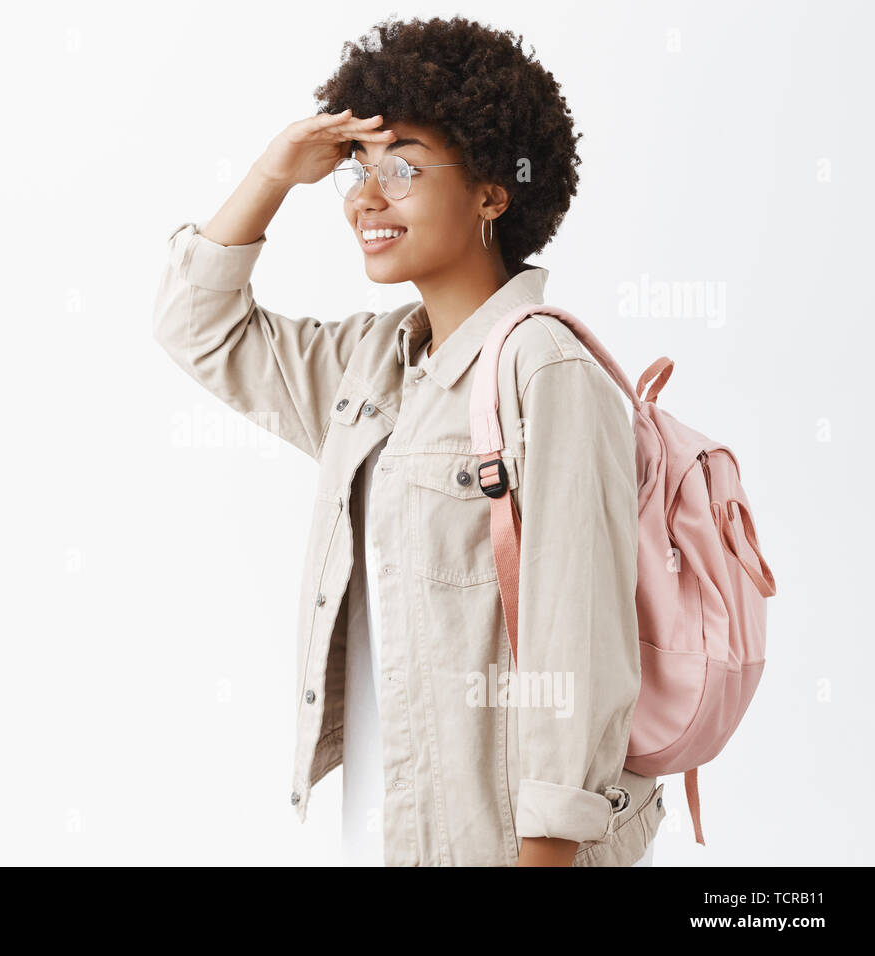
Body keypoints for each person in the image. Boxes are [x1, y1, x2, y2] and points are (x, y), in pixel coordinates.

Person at [152, 14, 666, 866]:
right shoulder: (370, 365)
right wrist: (275, 173)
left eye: (404, 168)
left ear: (493, 193)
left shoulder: (543, 368)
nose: (364, 196)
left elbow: (575, 640)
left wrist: (545, 856)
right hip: (390, 823)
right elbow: (195, 325)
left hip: (501, 843)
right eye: (358, 169)